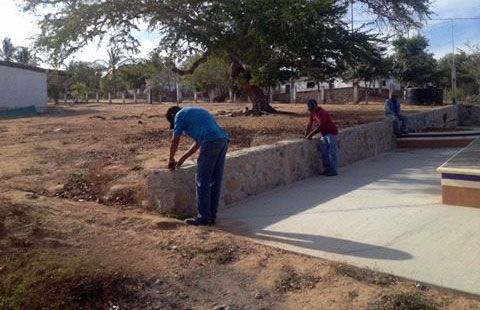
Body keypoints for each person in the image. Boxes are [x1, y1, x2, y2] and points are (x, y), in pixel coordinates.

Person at [166, 106, 229, 226]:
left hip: (210, 143)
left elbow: (175, 140)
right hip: (222, 141)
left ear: (173, 116)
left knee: (202, 181)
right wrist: (182, 159)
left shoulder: (179, 115)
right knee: (215, 181)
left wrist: (171, 159)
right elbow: (198, 143)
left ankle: (203, 218)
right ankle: (211, 217)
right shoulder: (196, 112)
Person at [304, 99, 339, 176]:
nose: (312, 110)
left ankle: (333, 170)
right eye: (310, 109)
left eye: (312, 108)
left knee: (332, 152)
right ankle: (327, 169)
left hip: (331, 132)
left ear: (316, 106)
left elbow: (321, 126)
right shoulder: (312, 113)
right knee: (324, 153)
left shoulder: (322, 112)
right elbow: (310, 123)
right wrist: (306, 134)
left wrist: (311, 134)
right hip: (323, 134)